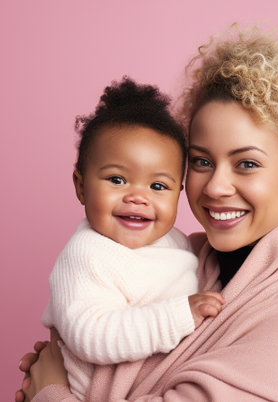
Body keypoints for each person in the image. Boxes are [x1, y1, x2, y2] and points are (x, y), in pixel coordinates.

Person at [17, 24, 278, 402]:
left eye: (247, 164)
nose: (215, 187)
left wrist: (50, 391)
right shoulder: (171, 258)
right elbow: (87, 335)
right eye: (202, 161)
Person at [39, 77, 225, 401]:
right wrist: (180, 316)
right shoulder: (87, 253)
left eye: (158, 186)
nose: (138, 197)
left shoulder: (179, 244)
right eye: (117, 179)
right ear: (81, 186)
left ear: (178, 194)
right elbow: (90, 334)